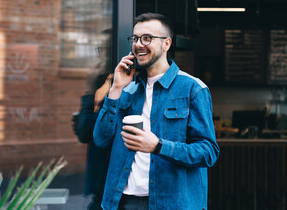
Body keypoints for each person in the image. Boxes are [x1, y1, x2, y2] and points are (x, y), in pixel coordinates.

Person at [93, 13, 220, 210]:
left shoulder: (193, 89)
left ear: (166, 44)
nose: (138, 44)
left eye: (147, 38)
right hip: (125, 202)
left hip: (172, 203)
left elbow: (208, 152)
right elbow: (100, 139)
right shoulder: (126, 89)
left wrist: (158, 146)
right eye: (135, 38)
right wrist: (115, 89)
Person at [73, 29, 113, 210]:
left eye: (103, 48)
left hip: (109, 183)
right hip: (103, 183)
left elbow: (86, 131)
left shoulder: (113, 85)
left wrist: (90, 90)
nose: (100, 54)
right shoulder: (104, 83)